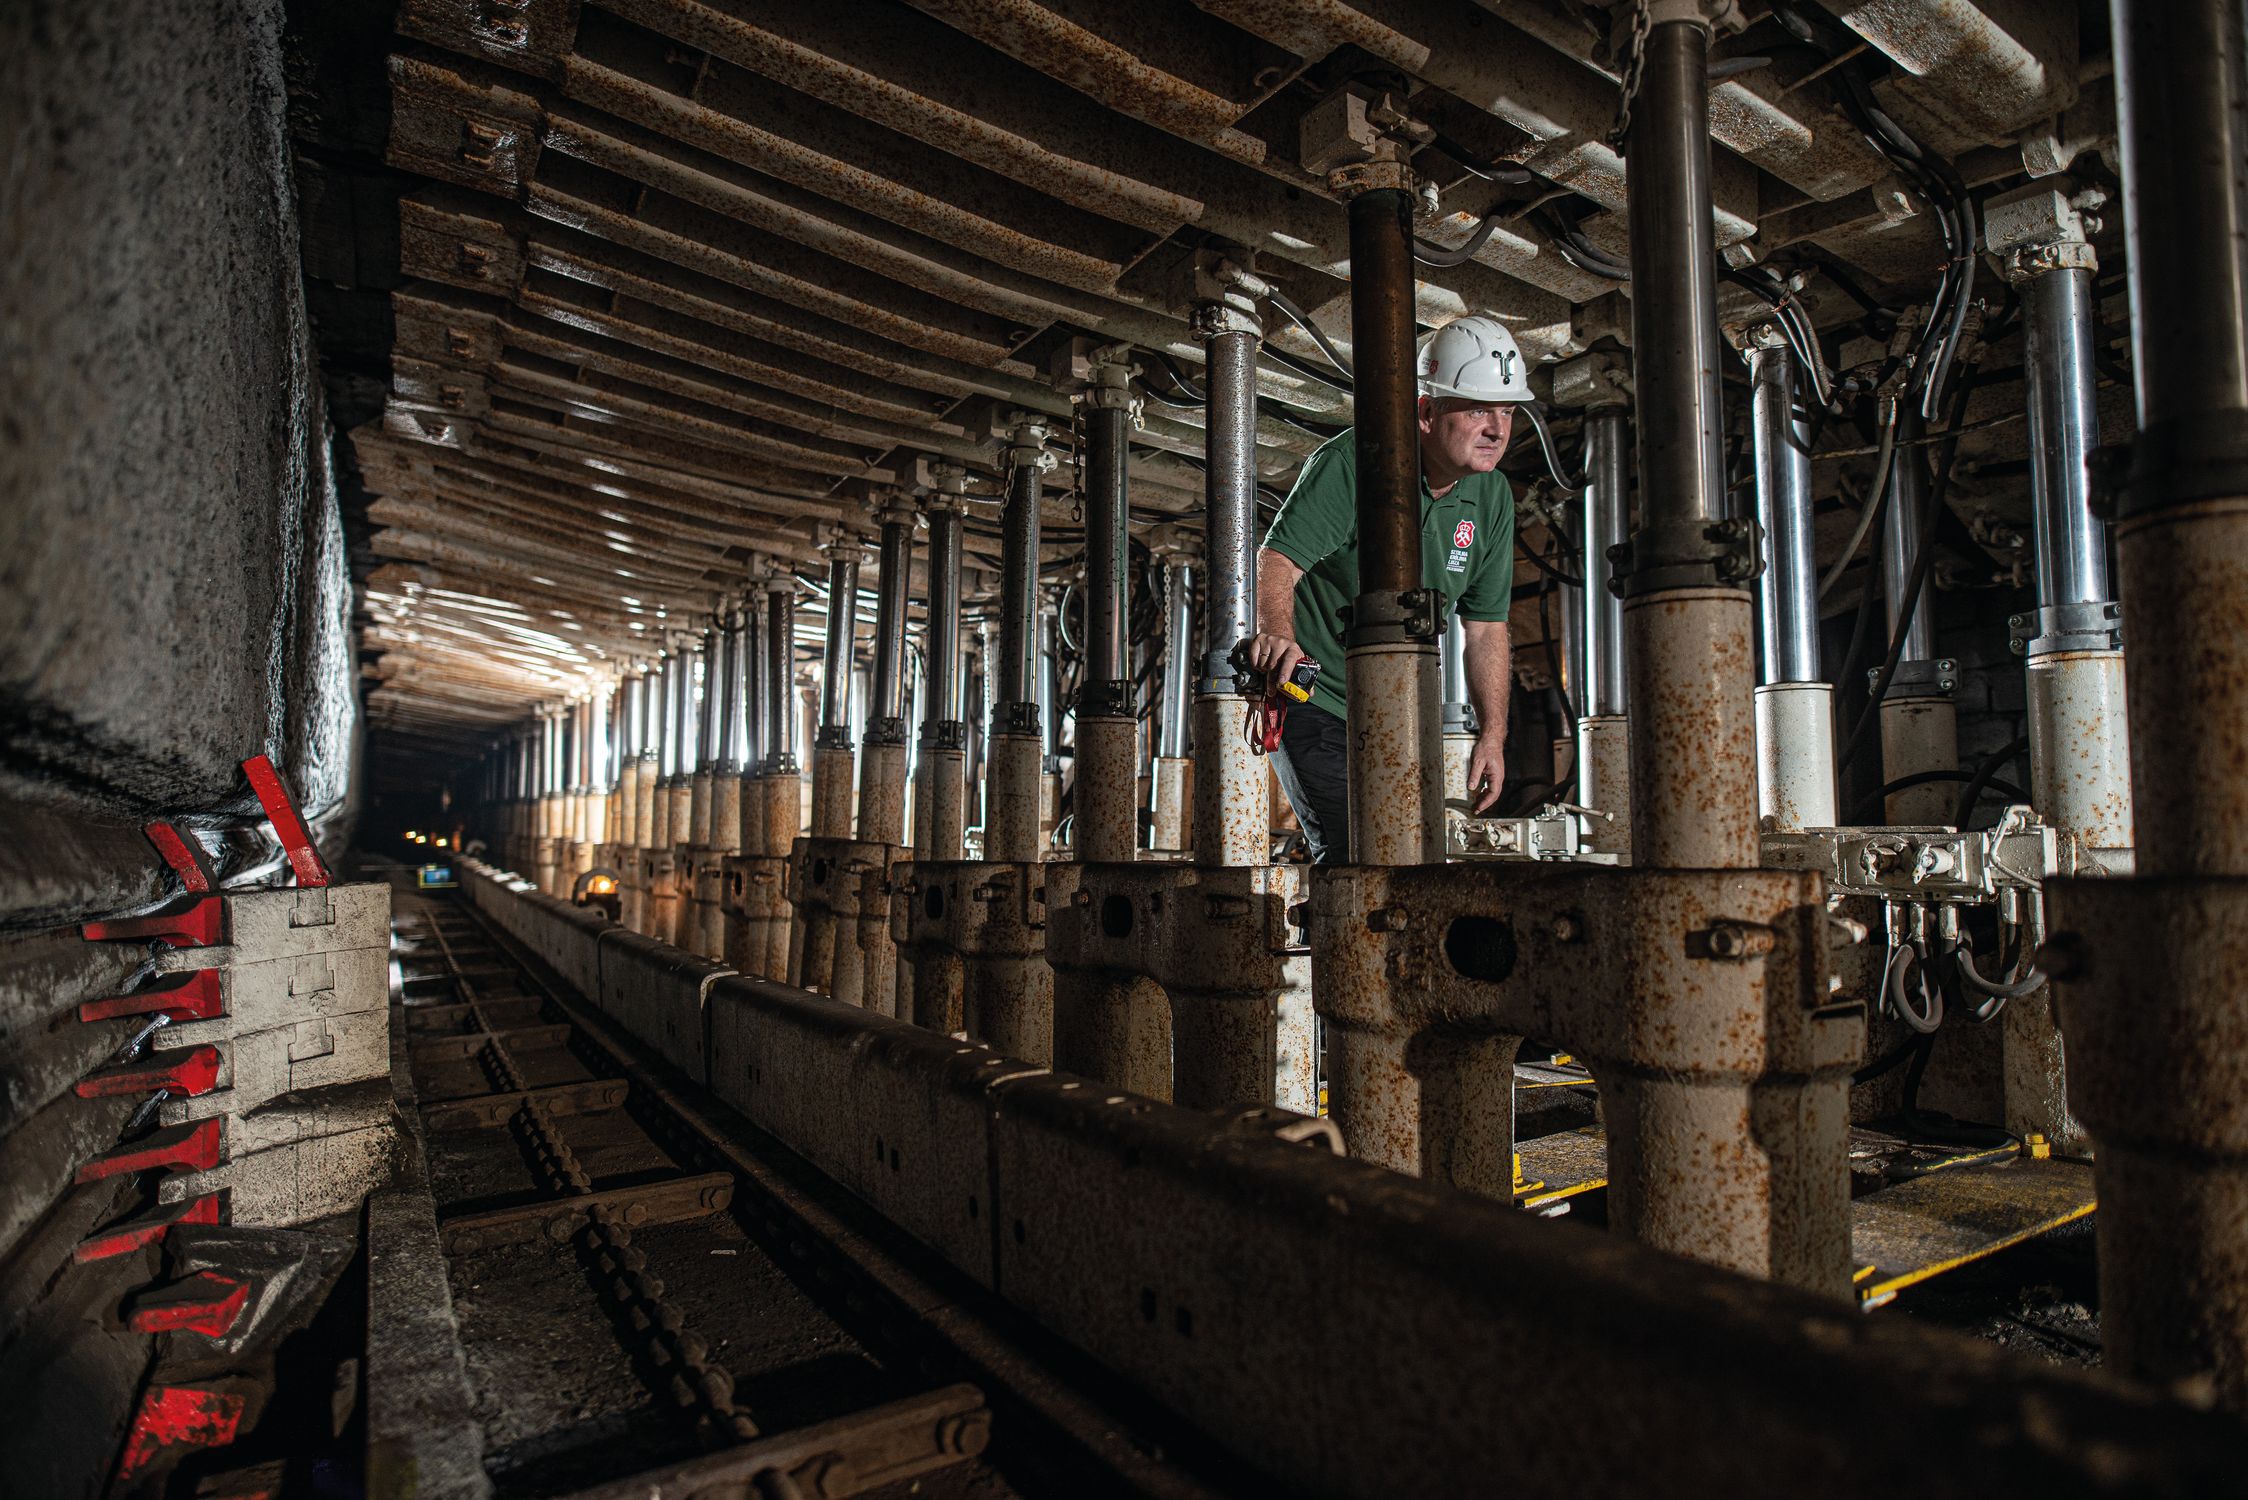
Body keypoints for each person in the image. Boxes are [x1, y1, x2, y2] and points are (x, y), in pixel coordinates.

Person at [1244, 314, 1528, 863]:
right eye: (1477, 409)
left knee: (1414, 852)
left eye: (1508, 411)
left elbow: (1486, 627)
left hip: (1400, 709)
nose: (1497, 428)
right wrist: (1277, 636)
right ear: (1425, 412)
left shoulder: (1493, 498)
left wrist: (1493, 734)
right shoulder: (1354, 463)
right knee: (1356, 853)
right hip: (1317, 700)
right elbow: (1277, 560)